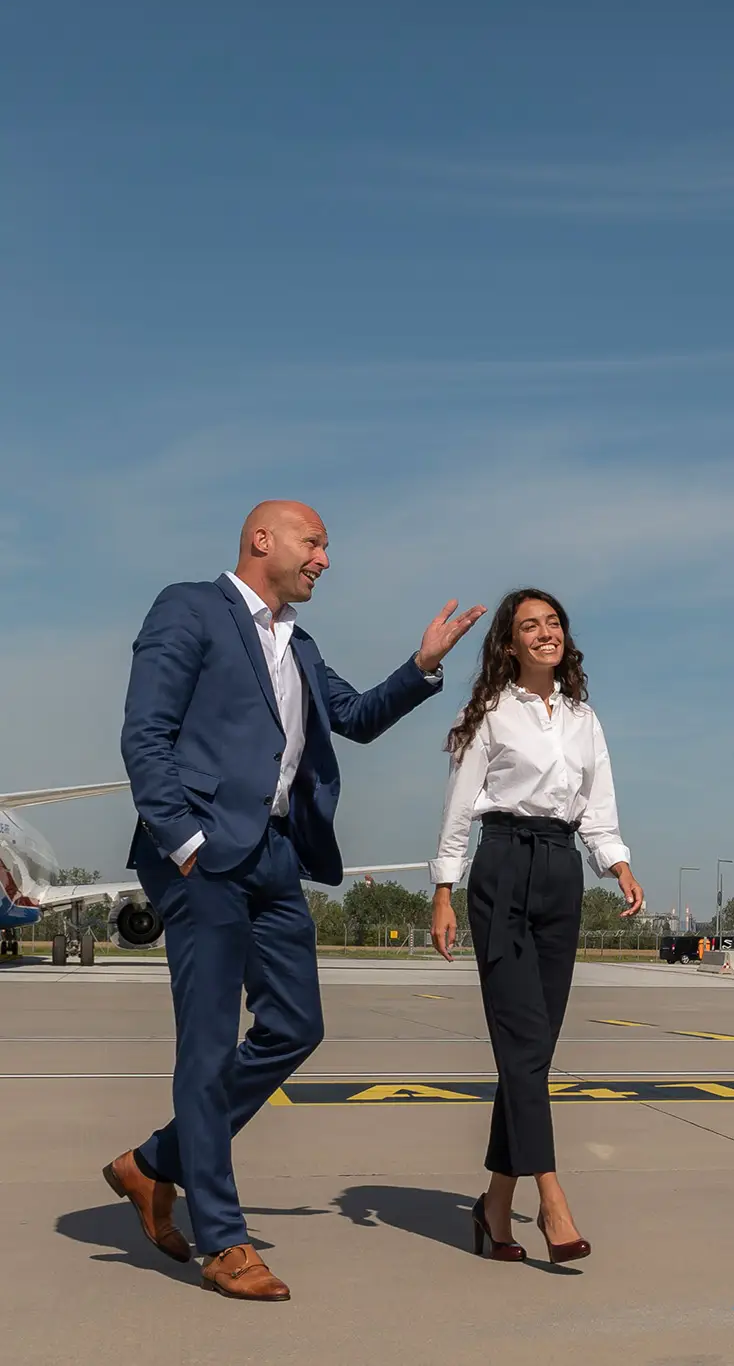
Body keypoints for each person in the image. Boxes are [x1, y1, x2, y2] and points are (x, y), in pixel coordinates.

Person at [106, 501, 482, 1301]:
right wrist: (184, 843)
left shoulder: (298, 644)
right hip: (203, 857)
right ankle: (223, 1241)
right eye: (314, 543)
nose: (324, 560)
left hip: (275, 856)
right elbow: (145, 733)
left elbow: (355, 718)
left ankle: (154, 1163)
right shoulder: (190, 608)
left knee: (296, 1027)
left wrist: (421, 666)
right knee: (208, 1049)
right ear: (262, 540)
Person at [428, 588, 641, 1265]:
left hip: (560, 871)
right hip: (502, 867)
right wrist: (443, 890)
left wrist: (618, 863)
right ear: (509, 643)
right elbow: (459, 807)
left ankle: (495, 1204)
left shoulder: (583, 717)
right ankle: (551, 1199)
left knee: (533, 1051)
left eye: (553, 623)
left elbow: (597, 806)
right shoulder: (489, 712)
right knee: (522, 1046)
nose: (545, 633)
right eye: (530, 626)